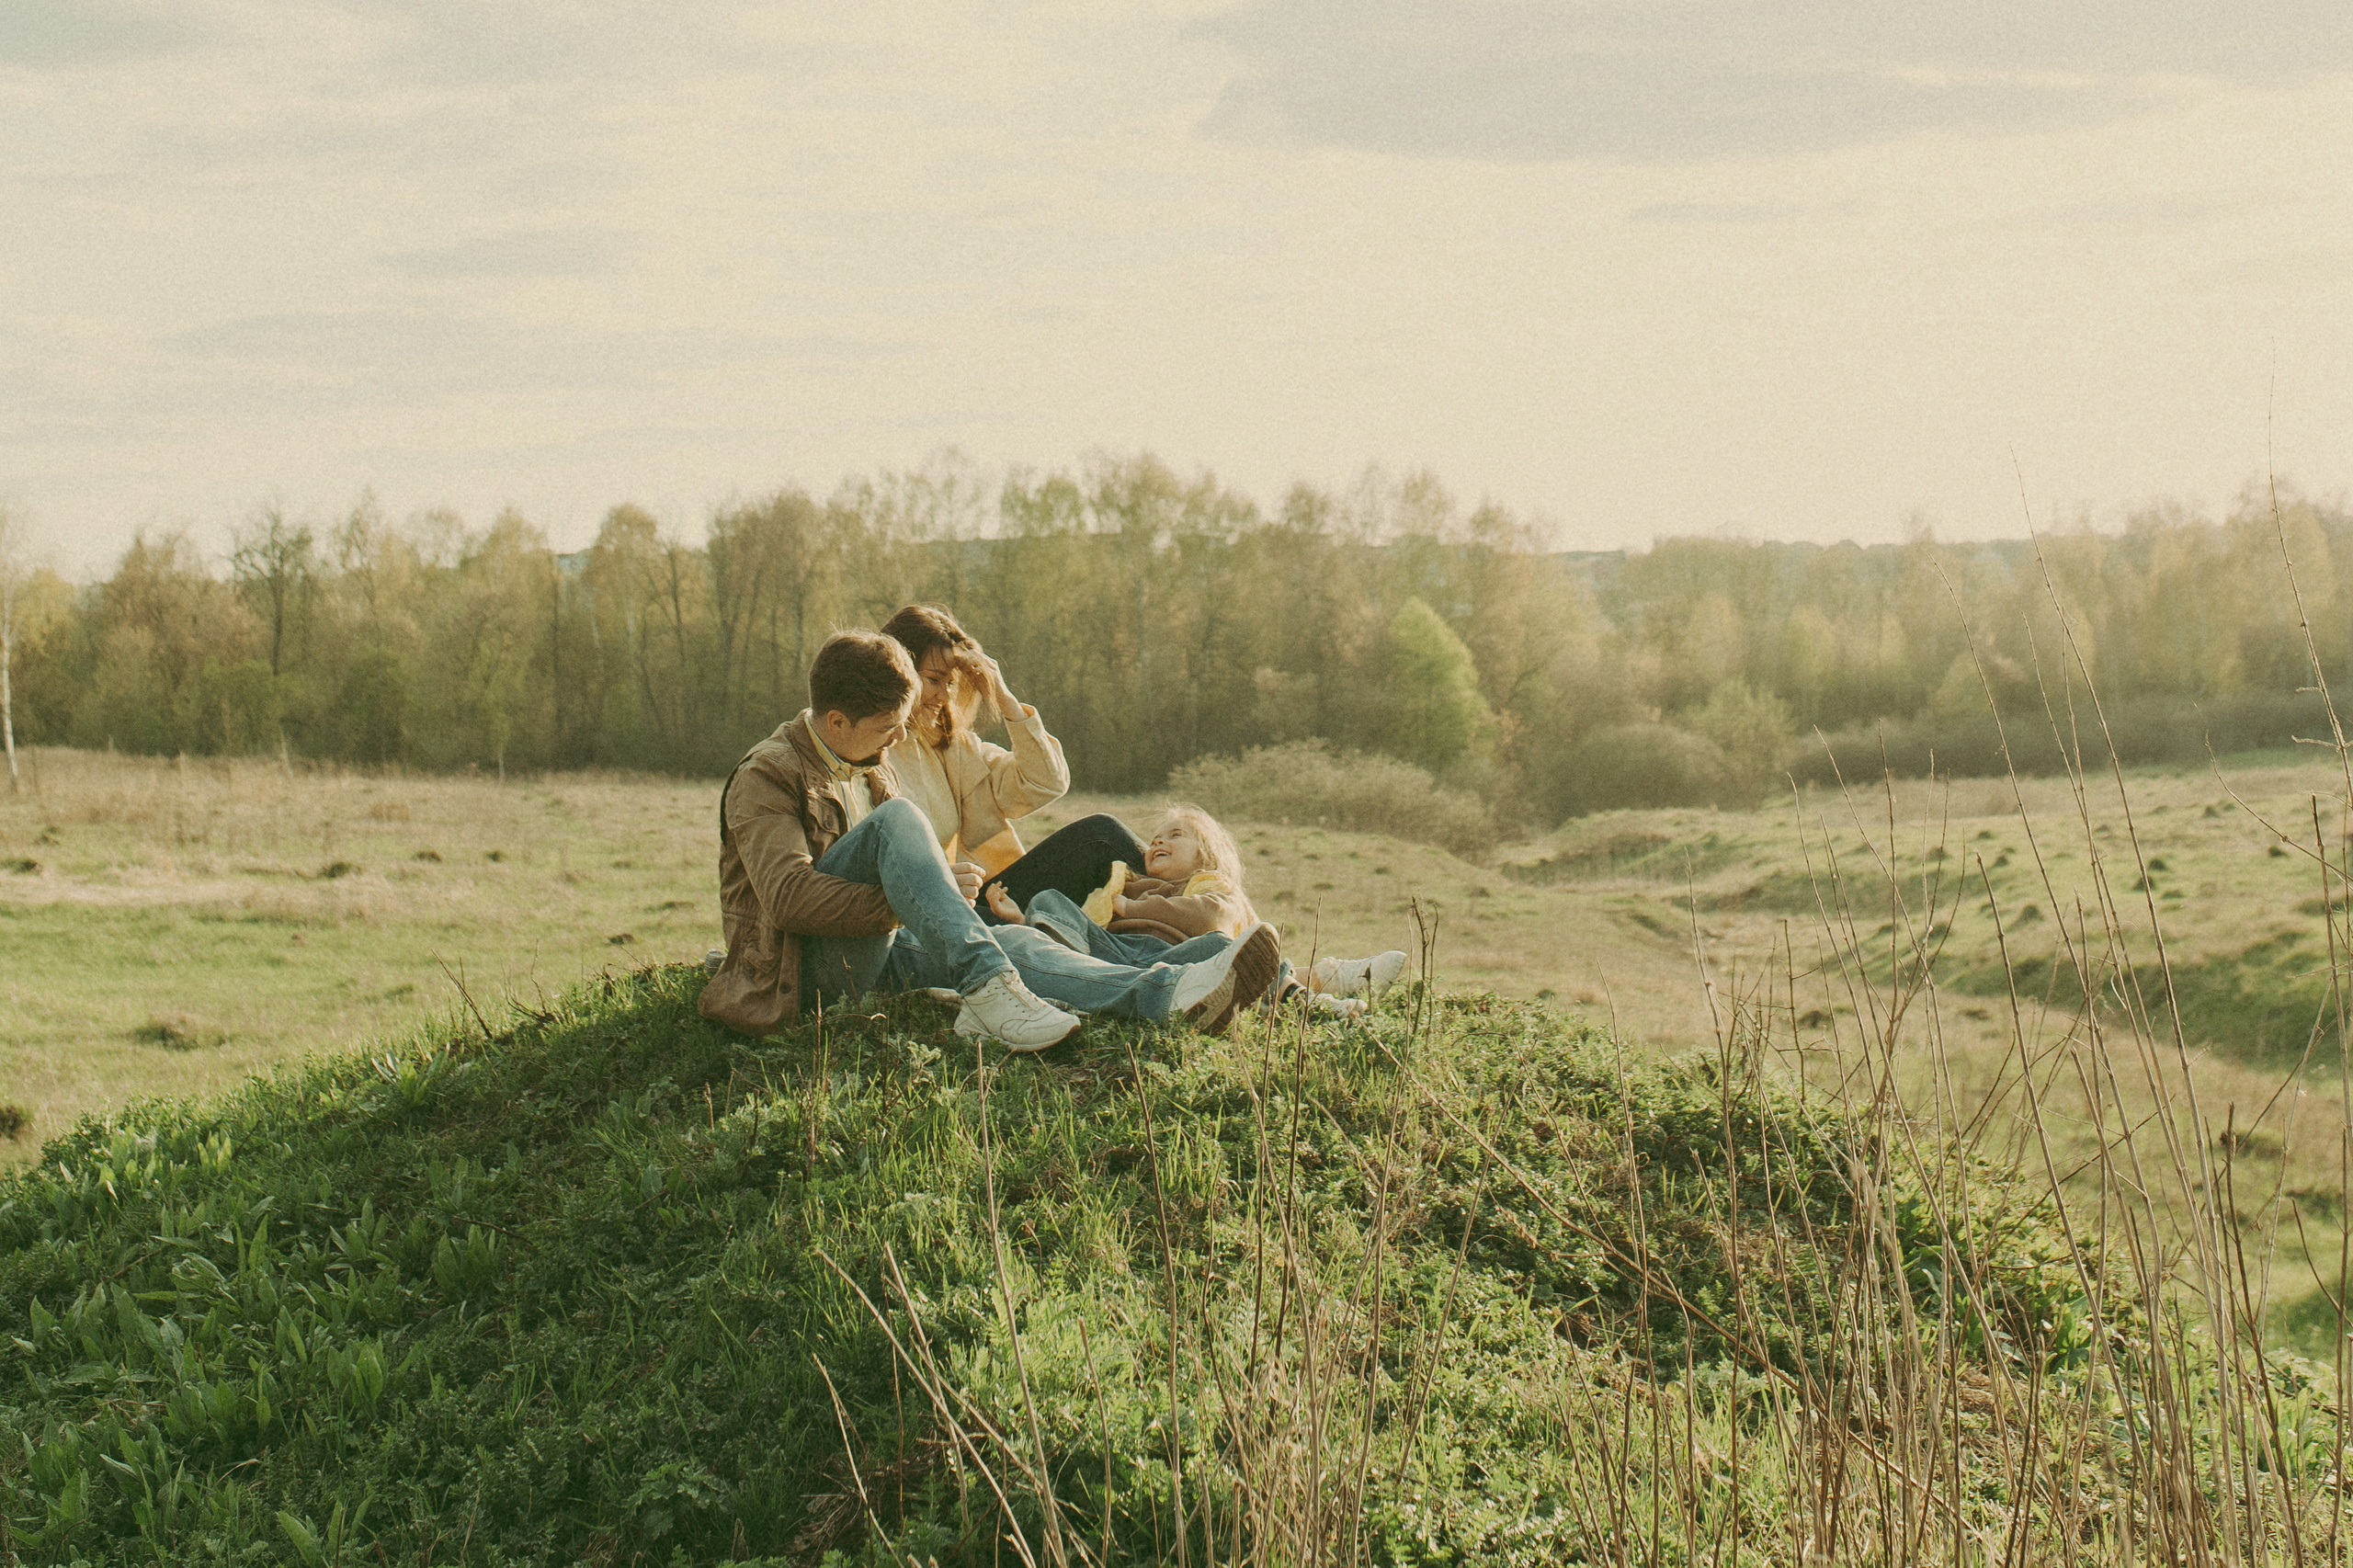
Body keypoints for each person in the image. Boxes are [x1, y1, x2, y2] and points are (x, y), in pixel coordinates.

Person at [699, 630, 1283, 1051]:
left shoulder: (871, 761)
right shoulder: (767, 776)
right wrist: (914, 895)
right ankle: (987, 986)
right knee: (901, 820)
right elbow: (788, 898)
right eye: (887, 727)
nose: (901, 737)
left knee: (1018, 945)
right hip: (800, 975)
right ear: (835, 723)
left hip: (878, 951)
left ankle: (1173, 991)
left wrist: (929, 886)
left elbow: (1045, 780)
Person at [987, 804, 1408, 1017]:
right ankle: (1058, 963)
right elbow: (1085, 919)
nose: (1157, 843)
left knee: (1222, 945)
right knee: (1048, 901)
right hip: (1110, 952)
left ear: (1206, 855)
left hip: (1167, 956)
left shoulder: (1207, 886)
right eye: (1154, 838)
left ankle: (1303, 1000)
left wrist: (1133, 906)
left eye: (1175, 836)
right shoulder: (1122, 882)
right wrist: (1021, 922)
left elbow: (1210, 919)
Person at [877, 603, 1146, 926]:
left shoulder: (952, 747)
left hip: (990, 898)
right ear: (898, 674)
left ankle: (1195, 904)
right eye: (934, 680)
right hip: (934, 912)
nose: (945, 696)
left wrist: (1004, 698)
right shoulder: (870, 749)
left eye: (951, 683)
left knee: (1102, 836)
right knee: (1103, 836)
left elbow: (1046, 782)